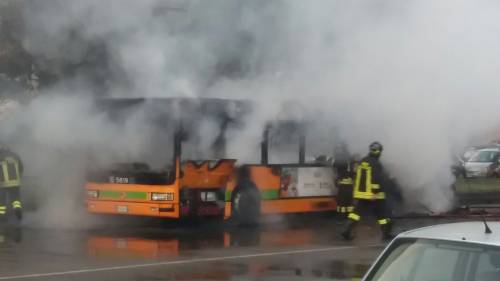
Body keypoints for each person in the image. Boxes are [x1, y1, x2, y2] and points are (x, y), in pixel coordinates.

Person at [341, 141, 393, 240]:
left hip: (361, 194)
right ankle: (386, 234)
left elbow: (357, 175)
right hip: (374, 195)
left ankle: (346, 231)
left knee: (356, 213)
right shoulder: (376, 163)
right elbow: (376, 179)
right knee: (383, 214)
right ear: (379, 152)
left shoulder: (362, 161)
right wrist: (375, 192)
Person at [0, 144, 23, 221]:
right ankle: (17, 210)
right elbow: (21, 168)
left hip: (3, 183)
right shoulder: (15, 156)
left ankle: (1, 216)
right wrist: (18, 177)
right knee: (16, 199)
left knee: (2, 201)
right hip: (15, 182)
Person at [333, 144, 355, 216]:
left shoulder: (341, 157)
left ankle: (341, 217)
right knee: (349, 202)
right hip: (350, 184)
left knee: (341, 202)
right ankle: (348, 216)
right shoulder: (351, 158)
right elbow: (354, 170)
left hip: (343, 184)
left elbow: (335, 165)